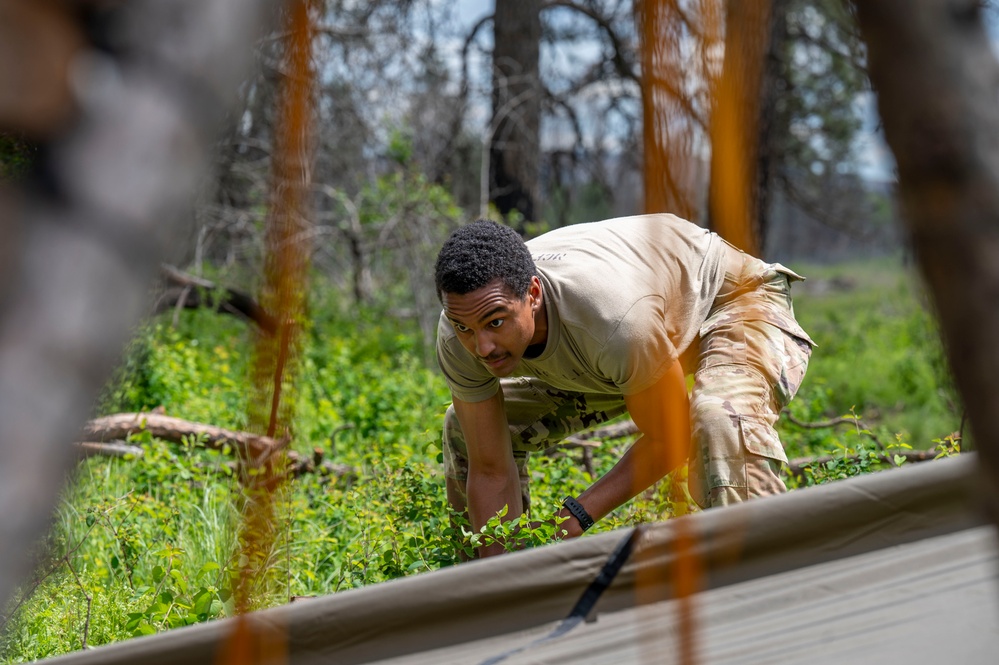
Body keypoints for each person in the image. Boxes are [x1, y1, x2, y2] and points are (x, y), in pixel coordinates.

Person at [434, 214, 813, 557]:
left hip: (732, 298)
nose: (482, 346)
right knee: (465, 430)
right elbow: (490, 470)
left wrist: (574, 517)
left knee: (719, 419)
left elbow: (673, 436)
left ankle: (764, 579)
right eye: (466, 328)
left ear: (532, 295)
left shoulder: (615, 322)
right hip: (631, 338)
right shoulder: (460, 329)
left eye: (496, 322)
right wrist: (496, 583)